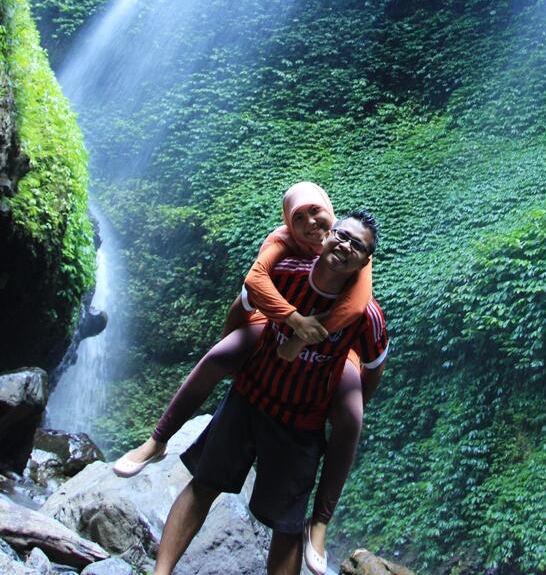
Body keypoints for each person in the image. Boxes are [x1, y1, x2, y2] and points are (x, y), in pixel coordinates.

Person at [114, 182, 372, 569]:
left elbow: (360, 315)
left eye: (316, 212)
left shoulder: (359, 279)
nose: (310, 222)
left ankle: (320, 522)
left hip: (316, 383)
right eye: (298, 216)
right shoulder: (283, 252)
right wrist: (281, 328)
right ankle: (157, 441)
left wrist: (306, 349)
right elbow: (249, 293)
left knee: (350, 418)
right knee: (219, 364)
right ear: (288, 221)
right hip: (265, 339)